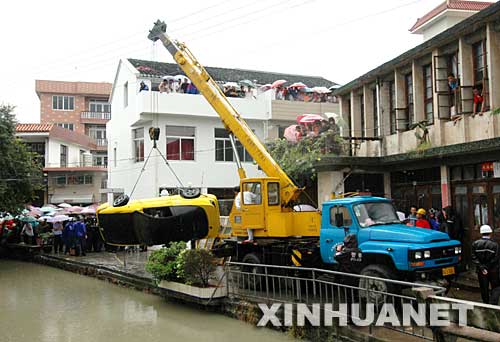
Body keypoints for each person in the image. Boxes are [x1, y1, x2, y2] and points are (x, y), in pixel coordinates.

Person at [472, 225, 500, 304]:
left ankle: (486, 304)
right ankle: (493, 303)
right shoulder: (495, 245)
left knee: (484, 288)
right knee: (496, 287)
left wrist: (482, 268)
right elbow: (496, 258)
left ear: (481, 233)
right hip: (493, 270)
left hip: (481, 271)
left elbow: (474, 258)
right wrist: (487, 267)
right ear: (490, 233)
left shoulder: (475, 244)